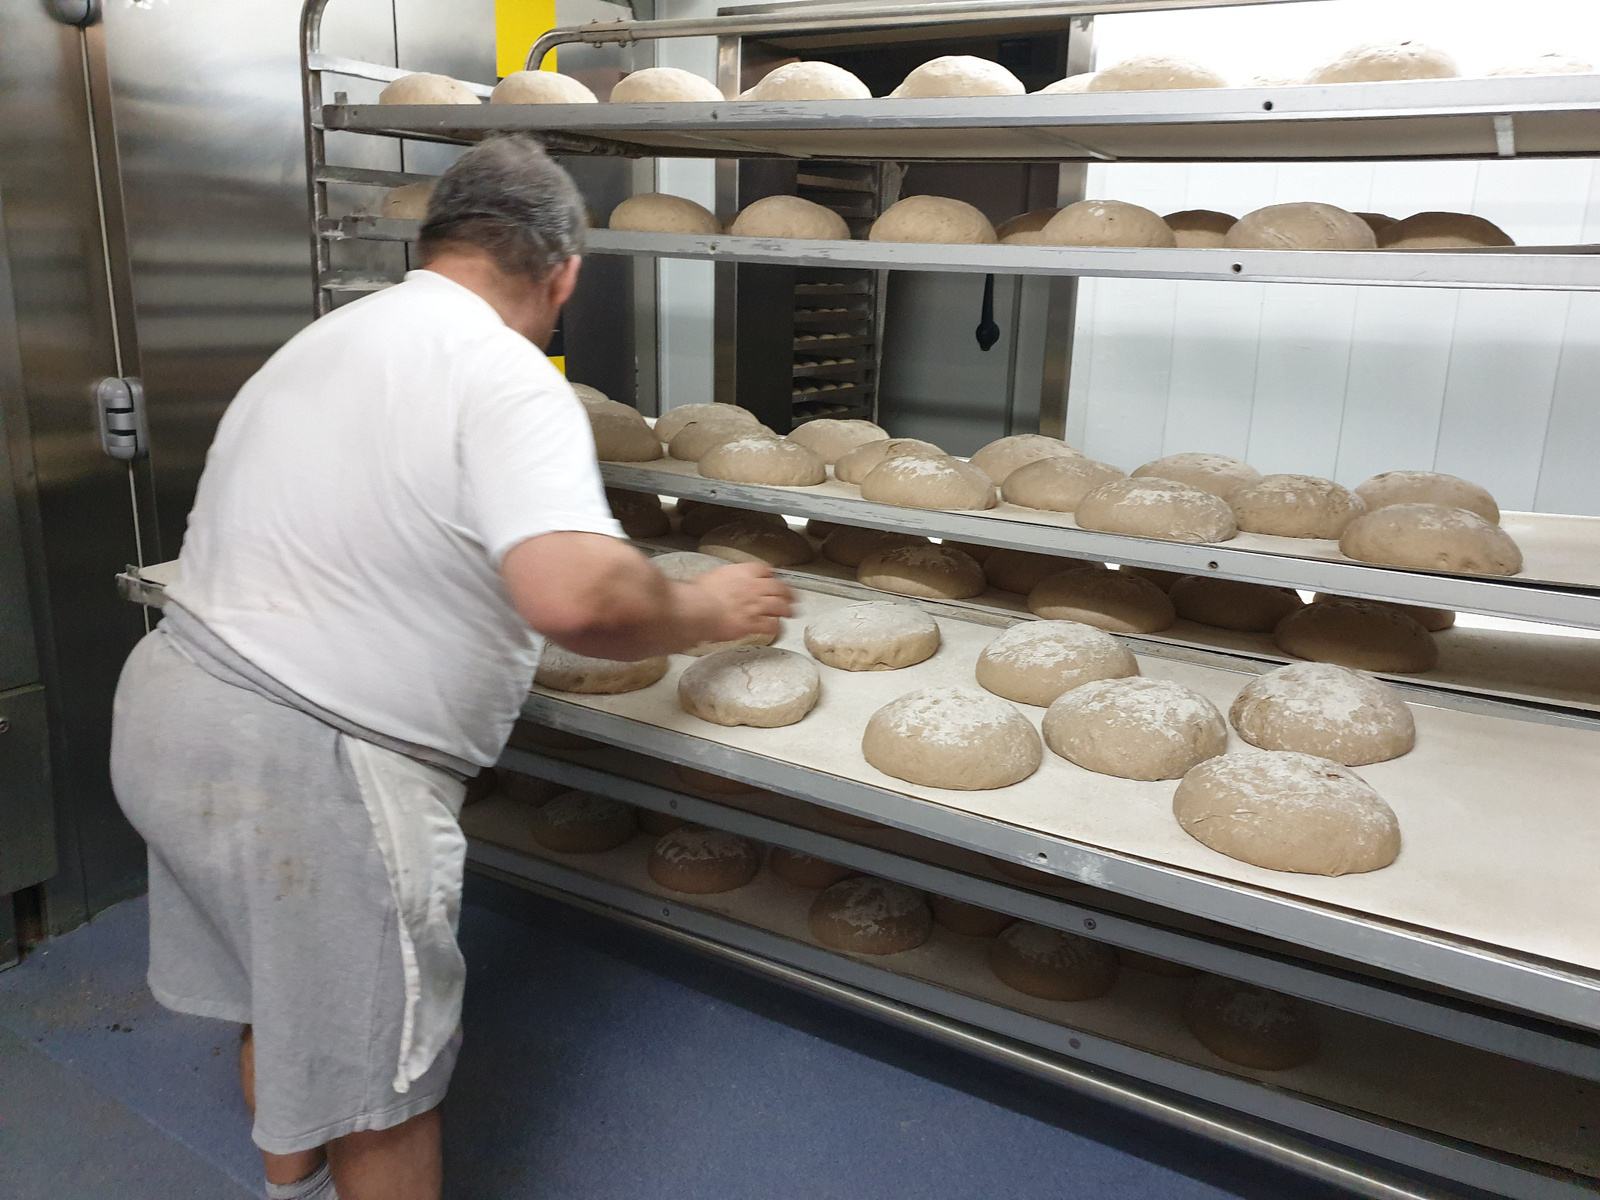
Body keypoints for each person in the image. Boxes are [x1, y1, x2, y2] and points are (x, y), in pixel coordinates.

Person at [109, 136, 791, 1200]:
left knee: (285, 1008)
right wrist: (701, 606)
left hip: (170, 709)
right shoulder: (505, 374)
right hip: (307, 768)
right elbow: (573, 595)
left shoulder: (331, 338)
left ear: (431, 244)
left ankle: (286, 1176)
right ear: (563, 273)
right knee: (384, 1087)